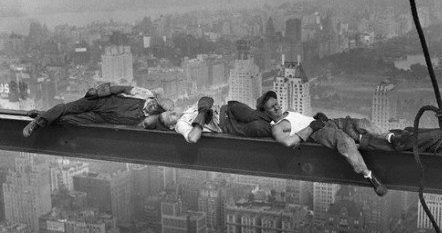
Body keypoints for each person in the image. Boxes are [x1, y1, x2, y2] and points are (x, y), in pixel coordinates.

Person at [255, 91, 410, 197]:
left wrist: (315, 118)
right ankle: (369, 176)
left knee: (361, 122)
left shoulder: (288, 111)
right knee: (345, 141)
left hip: (327, 122)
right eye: (272, 107)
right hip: (319, 132)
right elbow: (288, 143)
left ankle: (390, 137)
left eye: (276, 103)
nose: (277, 107)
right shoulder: (277, 127)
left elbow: (302, 119)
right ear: (265, 112)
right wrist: (310, 128)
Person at [22, 83, 174, 137]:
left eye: (156, 108)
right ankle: (36, 123)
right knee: (66, 108)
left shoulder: (147, 119)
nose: (153, 106)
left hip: (101, 118)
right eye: (154, 103)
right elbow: (119, 88)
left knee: (67, 119)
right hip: (101, 103)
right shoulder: (144, 94)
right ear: (153, 98)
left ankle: (43, 115)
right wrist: (97, 91)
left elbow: (158, 125)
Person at [156, 96, 272, 143]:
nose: (173, 113)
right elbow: (193, 138)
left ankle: (282, 121)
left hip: (229, 109)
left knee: (254, 116)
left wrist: (203, 109)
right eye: (169, 116)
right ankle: (284, 128)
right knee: (257, 126)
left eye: (170, 112)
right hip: (226, 124)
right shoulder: (180, 125)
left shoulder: (187, 110)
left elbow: (207, 99)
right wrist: (201, 117)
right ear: (171, 126)